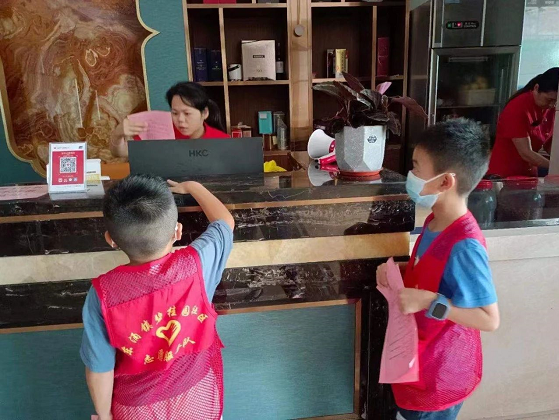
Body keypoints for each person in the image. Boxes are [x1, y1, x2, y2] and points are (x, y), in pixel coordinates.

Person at [80, 174, 234, 420]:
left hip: (136, 411)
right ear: (178, 231)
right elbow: (225, 222)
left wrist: (104, 415)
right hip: (198, 400)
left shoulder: (102, 294)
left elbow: (99, 368)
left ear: (111, 240)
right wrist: (193, 187)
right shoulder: (199, 263)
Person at [377, 119, 500, 420]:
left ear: (445, 182)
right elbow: (435, 269)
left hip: (440, 376)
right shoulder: (434, 222)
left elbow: (489, 319)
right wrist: (400, 270)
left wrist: (429, 301)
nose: (410, 175)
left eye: (416, 168)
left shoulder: (465, 245)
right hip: (419, 361)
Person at [110, 82, 229, 158]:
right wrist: (117, 135)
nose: (180, 119)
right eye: (175, 113)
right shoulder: (162, 132)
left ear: (205, 113)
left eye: (187, 113)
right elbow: (120, 153)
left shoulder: (223, 141)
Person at [488, 67, 559, 178]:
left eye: (555, 101)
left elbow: (549, 145)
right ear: (536, 88)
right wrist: (555, 167)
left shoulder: (550, 108)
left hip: (528, 174)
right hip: (504, 175)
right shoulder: (517, 107)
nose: (552, 105)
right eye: (549, 100)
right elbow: (526, 153)